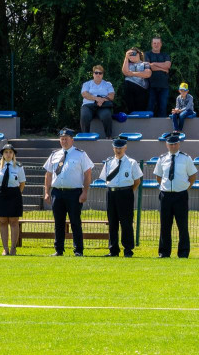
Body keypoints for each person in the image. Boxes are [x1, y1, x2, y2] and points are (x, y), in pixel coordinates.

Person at [42, 128, 94, 256]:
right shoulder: (54, 155)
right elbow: (48, 174)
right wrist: (47, 192)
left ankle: (78, 250)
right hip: (57, 192)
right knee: (58, 222)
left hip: (74, 193)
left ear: (72, 139)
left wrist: (85, 192)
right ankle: (59, 250)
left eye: (66, 138)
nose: (64, 141)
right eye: (62, 139)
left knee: (75, 222)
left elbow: (88, 174)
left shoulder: (81, 154)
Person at [153, 133, 196, 258]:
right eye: (170, 144)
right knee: (165, 225)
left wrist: (183, 188)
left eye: (175, 144)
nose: (173, 146)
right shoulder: (162, 158)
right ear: (166, 145)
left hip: (181, 196)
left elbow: (192, 176)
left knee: (182, 225)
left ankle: (183, 253)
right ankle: (164, 252)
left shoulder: (186, 158)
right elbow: (158, 176)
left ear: (179, 144)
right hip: (166, 196)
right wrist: (166, 187)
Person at [99, 138, 143, 257]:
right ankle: (113, 250)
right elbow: (105, 178)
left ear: (125, 148)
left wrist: (128, 192)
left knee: (126, 223)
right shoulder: (108, 162)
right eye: (116, 148)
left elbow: (137, 181)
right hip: (111, 193)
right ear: (113, 148)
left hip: (125, 193)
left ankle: (128, 250)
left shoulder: (132, 162)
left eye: (121, 148)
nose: (118, 150)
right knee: (112, 223)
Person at [0, 144, 25, 256]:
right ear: (3, 154)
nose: (8, 154)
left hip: (14, 194)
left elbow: (22, 183)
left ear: (13, 154)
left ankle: (13, 248)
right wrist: (3, 192)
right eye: (6, 152)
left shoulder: (19, 166)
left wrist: (16, 193)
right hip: (2, 194)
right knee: (3, 221)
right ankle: (5, 248)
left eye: (10, 152)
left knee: (14, 221)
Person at [79, 65, 116, 138]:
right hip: (88, 105)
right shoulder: (87, 84)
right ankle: (85, 137)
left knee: (106, 115)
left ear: (102, 75)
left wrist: (102, 100)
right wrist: (96, 98)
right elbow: (84, 94)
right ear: (93, 74)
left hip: (102, 106)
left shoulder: (108, 84)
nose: (98, 75)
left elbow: (111, 96)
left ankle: (108, 136)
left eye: (100, 73)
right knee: (85, 116)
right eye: (96, 73)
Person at [144, 36, 172, 118]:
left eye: (158, 43)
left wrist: (154, 64)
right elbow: (149, 67)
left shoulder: (165, 55)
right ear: (151, 44)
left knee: (163, 108)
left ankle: (162, 129)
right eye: (154, 43)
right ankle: (148, 129)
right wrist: (163, 69)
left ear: (161, 44)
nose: (156, 45)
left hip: (164, 86)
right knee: (150, 107)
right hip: (150, 86)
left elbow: (167, 65)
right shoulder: (147, 54)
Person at [120, 48, 151, 113]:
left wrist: (132, 73)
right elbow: (125, 72)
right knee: (130, 110)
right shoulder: (128, 64)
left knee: (140, 109)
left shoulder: (145, 64)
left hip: (141, 88)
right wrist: (126, 57)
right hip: (128, 89)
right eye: (129, 54)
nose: (131, 56)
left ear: (139, 54)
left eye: (133, 53)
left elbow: (147, 74)